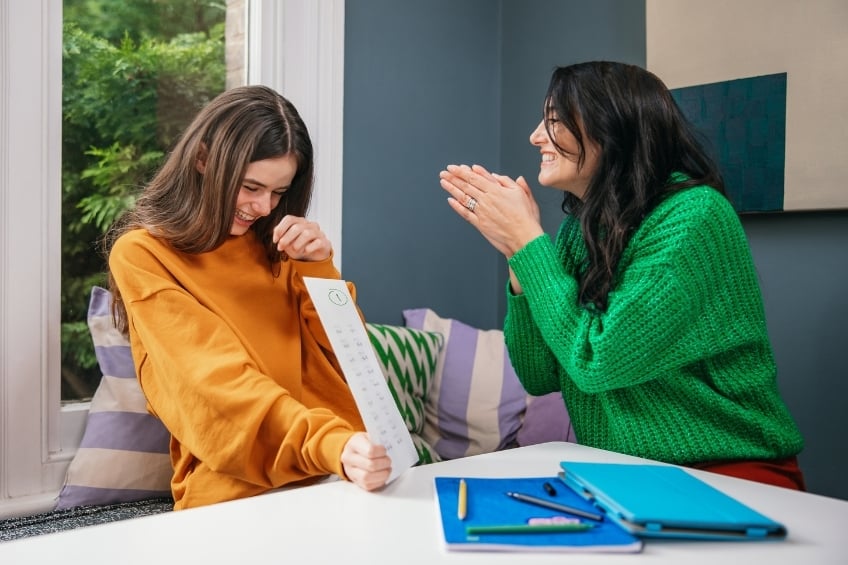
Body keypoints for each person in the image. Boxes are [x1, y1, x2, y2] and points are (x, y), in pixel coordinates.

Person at [439, 61, 806, 490]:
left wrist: (527, 244)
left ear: (610, 127)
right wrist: (517, 255)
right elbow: (540, 375)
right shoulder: (580, 232)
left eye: (554, 121)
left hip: (728, 476)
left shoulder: (695, 217)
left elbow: (600, 361)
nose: (536, 136)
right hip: (630, 478)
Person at [104, 85, 391, 510]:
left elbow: (355, 367)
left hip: (348, 475)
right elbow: (216, 386)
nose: (262, 206)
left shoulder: (284, 246)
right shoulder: (144, 254)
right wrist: (330, 444)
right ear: (203, 160)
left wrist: (320, 270)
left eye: (278, 193)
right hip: (238, 496)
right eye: (250, 186)